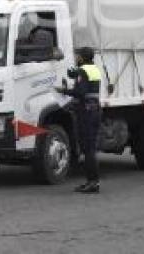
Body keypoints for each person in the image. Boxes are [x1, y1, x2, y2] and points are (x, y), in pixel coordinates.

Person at [58, 46, 102, 193]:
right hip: (95, 110)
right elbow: (79, 77)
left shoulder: (83, 71)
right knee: (90, 148)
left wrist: (64, 91)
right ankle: (92, 181)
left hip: (86, 112)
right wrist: (73, 74)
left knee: (87, 148)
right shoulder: (94, 69)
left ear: (82, 57)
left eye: (77, 56)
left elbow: (80, 92)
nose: (76, 58)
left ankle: (93, 182)